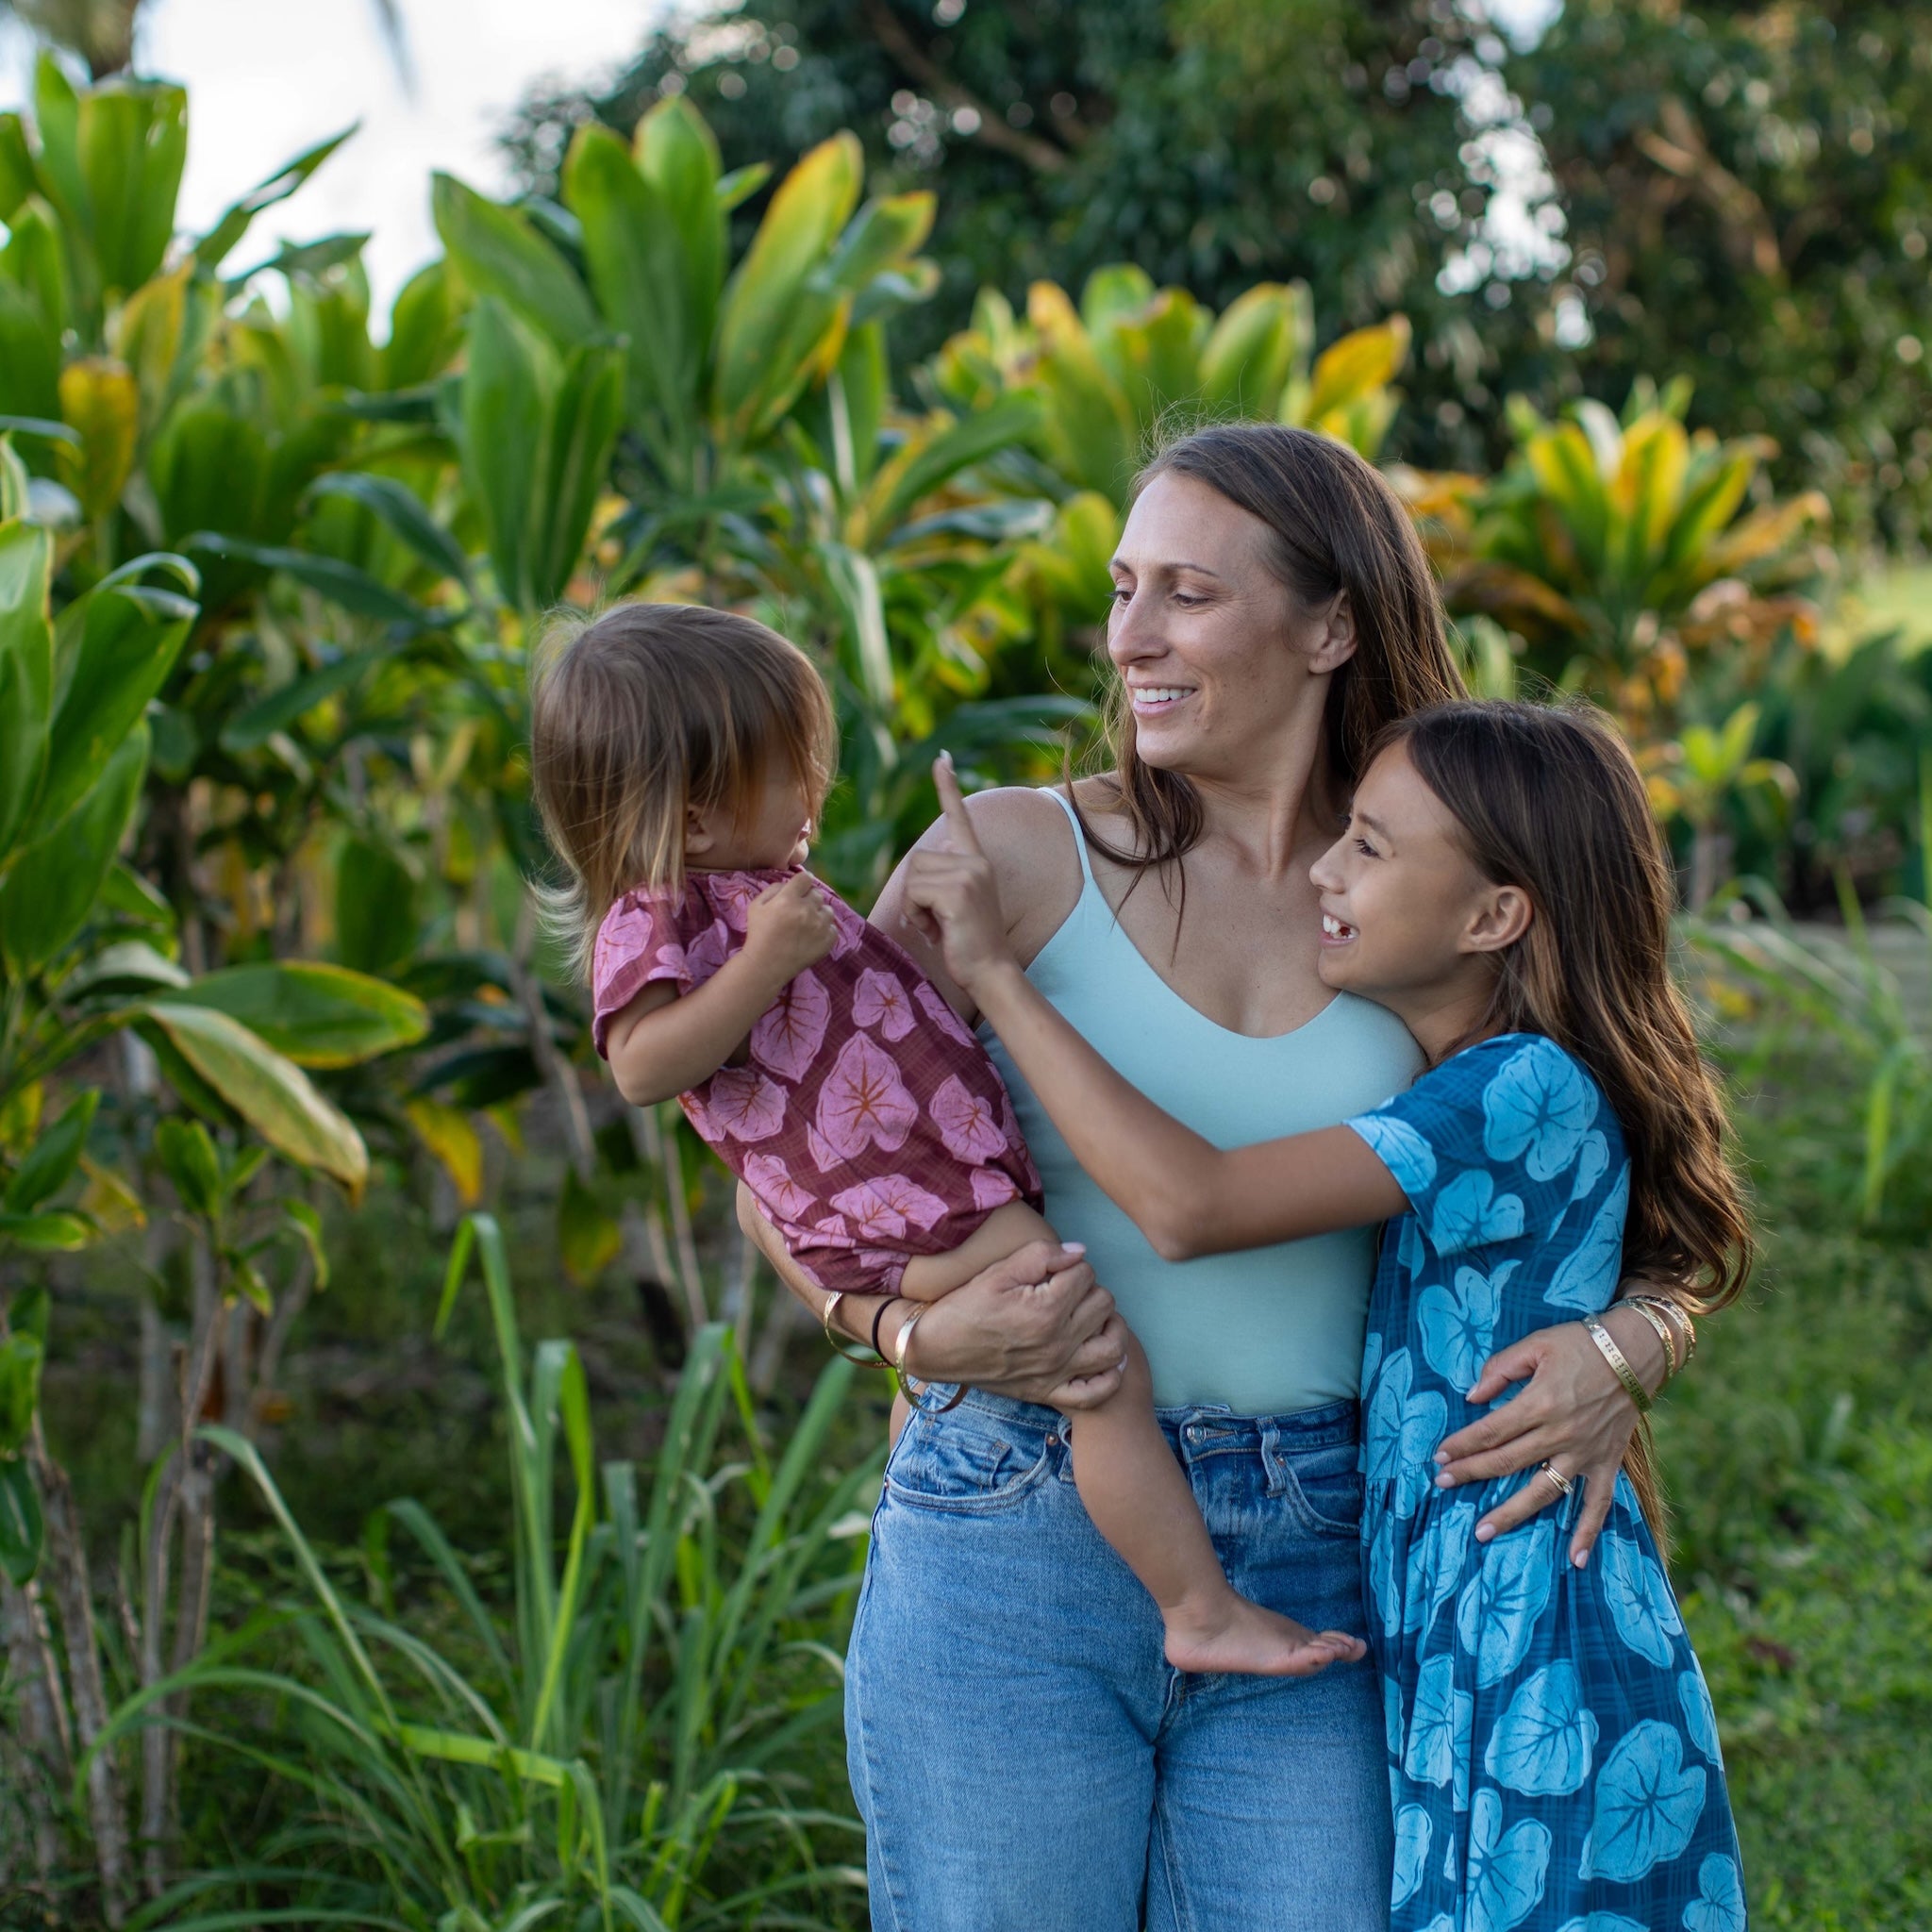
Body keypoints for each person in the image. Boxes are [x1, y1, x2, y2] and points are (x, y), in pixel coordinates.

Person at [740, 423, 1694, 1931]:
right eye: (1124, 591)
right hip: (1016, 1518)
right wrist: (904, 1336)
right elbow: (782, 1172)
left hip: (1326, 1541)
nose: (1130, 638)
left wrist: (1625, 1346)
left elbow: (1632, 1177)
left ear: (1330, 624)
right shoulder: (1007, 858)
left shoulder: (1421, 887)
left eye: (1185, 592)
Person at [906, 697, 1748, 1929]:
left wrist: (994, 975)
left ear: (1493, 917)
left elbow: (1191, 1205)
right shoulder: (1468, 1077)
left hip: (1532, 1639)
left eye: (1370, 846)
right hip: (1463, 1620)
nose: (1324, 869)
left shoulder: (1511, 1087)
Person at [527, 601, 1365, 1681]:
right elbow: (641, 1067)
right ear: (693, 817)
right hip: (900, 1203)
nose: (814, 792)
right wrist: (764, 965)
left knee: (1058, 1344)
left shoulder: (750, 893)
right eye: (790, 769)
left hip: (911, 1195)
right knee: (1094, 1356)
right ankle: (1194, 1600)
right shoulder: (664, 916)